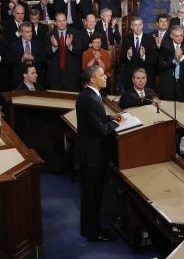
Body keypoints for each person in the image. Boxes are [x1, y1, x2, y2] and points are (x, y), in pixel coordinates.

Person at [75, 65, 123, 242]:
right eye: (102, 75)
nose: (106, 77)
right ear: (92, 80)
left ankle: (89, 229)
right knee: (92, 196)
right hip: (92, 156)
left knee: (91, 195)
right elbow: (99, 130)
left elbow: (96, 120)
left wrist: (110, 118)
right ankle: (93, 233)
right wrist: (117, 124)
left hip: (90, 153)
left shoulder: (90, 95)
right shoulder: (90, 98)